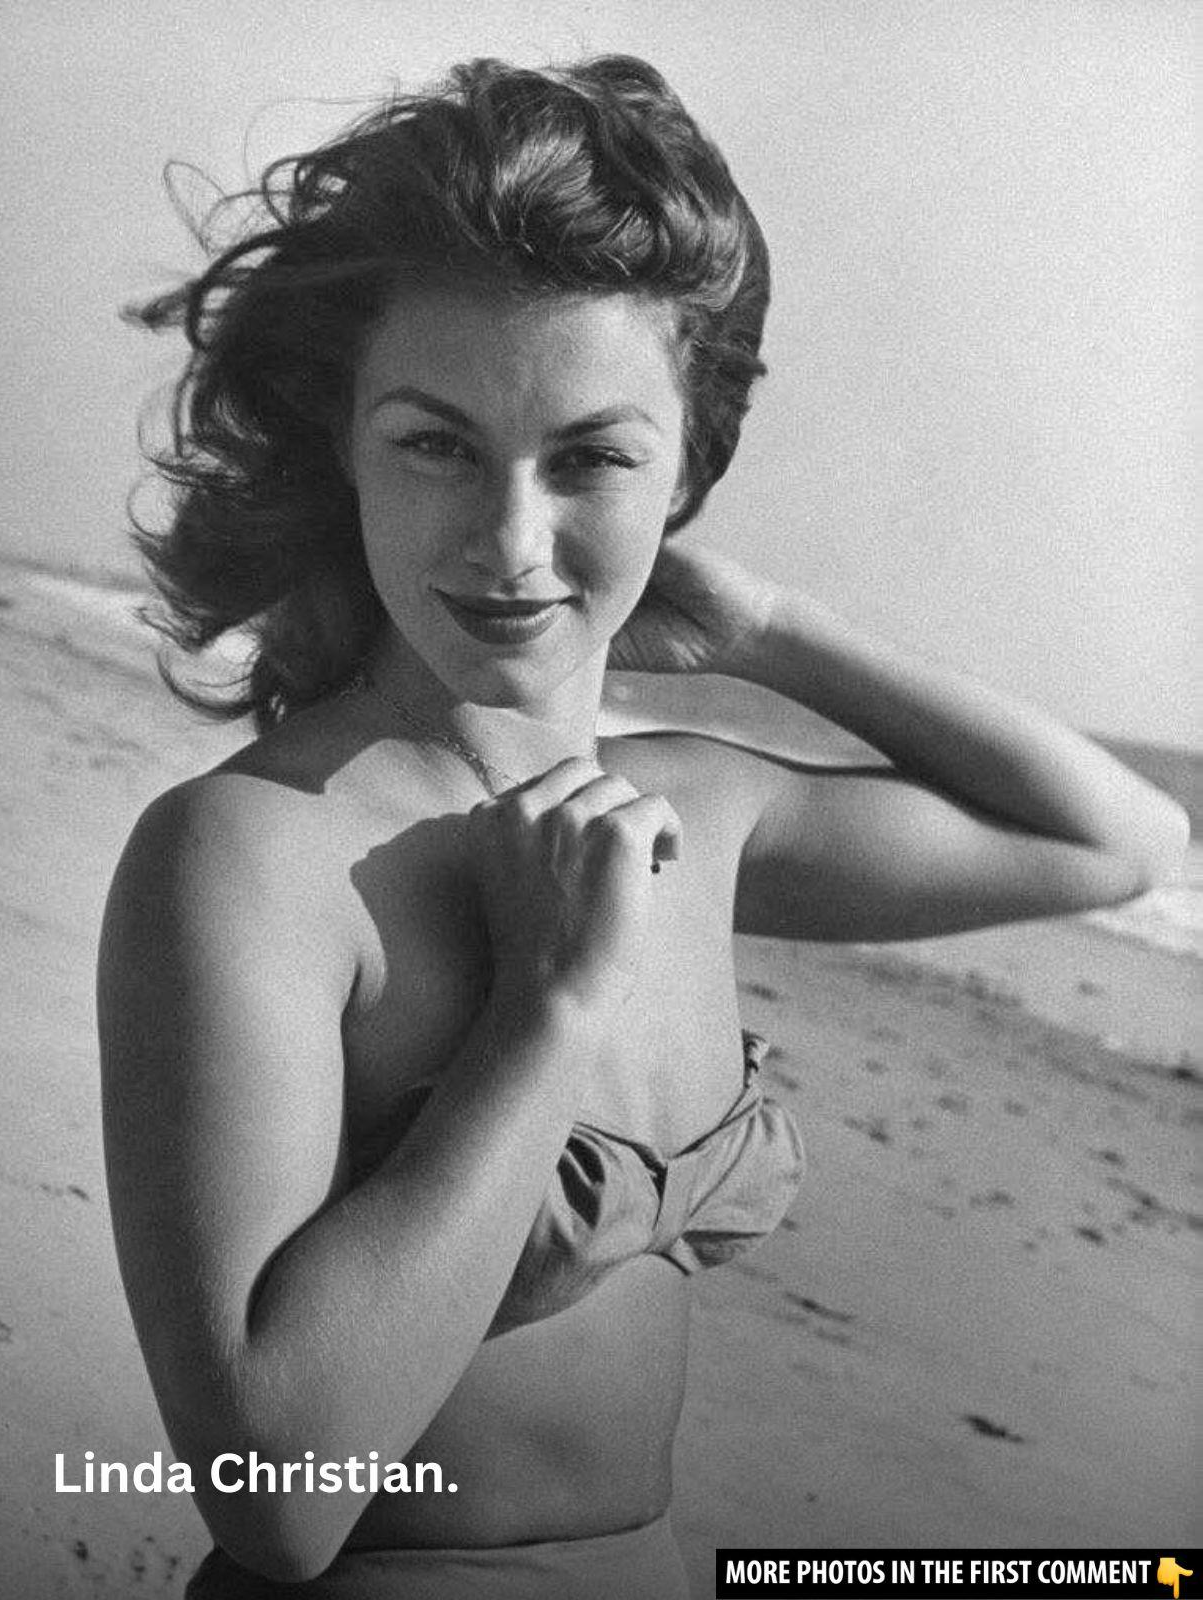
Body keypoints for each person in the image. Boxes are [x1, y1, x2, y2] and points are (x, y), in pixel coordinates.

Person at [98, 57, 1188, 1599]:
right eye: (435, 443)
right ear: (341, 440)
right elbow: (276, 1499)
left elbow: (1121, 844)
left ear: (689, 467)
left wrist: (771, 630)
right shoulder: (253, 855)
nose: (511, 541)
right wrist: (546, 1012)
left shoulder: (702, 809)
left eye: (594, 458)